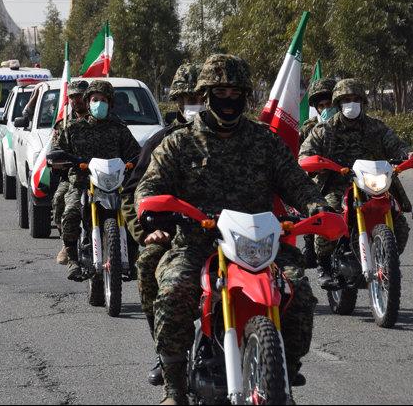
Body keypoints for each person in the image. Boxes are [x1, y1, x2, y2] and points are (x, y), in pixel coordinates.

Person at [136, 54, 326, 404]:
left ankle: (282, 373)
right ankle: (173, 386)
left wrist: (320, 208)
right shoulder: (179, 142)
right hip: (198, 242)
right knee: (174, 290)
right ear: (206, 95)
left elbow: (297, 183)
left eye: (236, 92)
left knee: (298, 290)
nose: (228, 99)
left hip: (260, 242)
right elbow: (149, 187)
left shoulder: (265, 141)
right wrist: (154, 213)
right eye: (220, 91)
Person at [120, 62, 202, 387]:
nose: (197, 105)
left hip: (232, 235)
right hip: (174, 235)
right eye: (191, 99)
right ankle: (167, 353)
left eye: (203, 98)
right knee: (147, 265)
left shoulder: (239, 138)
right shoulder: (162, 142)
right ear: (179, 101)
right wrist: (146, 232)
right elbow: (131, 193)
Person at [299, 78, 412, 286]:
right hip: (337, 184)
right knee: (329, 215)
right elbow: (305, 154)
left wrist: (407, 155)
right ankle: (324, 265)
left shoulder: (376, 127)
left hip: (372, 183)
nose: (351, 104)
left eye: (355, 99)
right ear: (338, 103)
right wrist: (315, 162)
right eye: (346, 100)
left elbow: (397, 146)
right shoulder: (324, 129)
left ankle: (386, 261)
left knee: (400, 224)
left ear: (362, 102)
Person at [55, 79, 141, 281]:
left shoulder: (119, 128)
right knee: (70, 213)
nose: (99, 104)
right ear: (88, 102)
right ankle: (73, 259)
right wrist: (61, 160)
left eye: (103, 100)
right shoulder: (73, 128)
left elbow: (135, 153)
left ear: (110, 103)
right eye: (95, 99)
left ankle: (132, 258)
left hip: (115, 185)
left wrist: (136, 161)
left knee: (134, 214)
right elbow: (58, 151)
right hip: (82, 184)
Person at [51, 79, 89, 265]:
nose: (76, 100)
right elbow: (54, 151)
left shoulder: (102, 122)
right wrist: (60, 162)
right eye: (72, 97)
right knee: (59, 200)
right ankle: (67, 243)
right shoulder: (63, 124)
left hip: (102, 175)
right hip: (72, 175)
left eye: (80, 96)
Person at [299, 77, 337, 143]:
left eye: (328, 104)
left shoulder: (348, 122)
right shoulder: (308, 127)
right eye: (321, 106)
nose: (325, 108)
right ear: (316, 108)